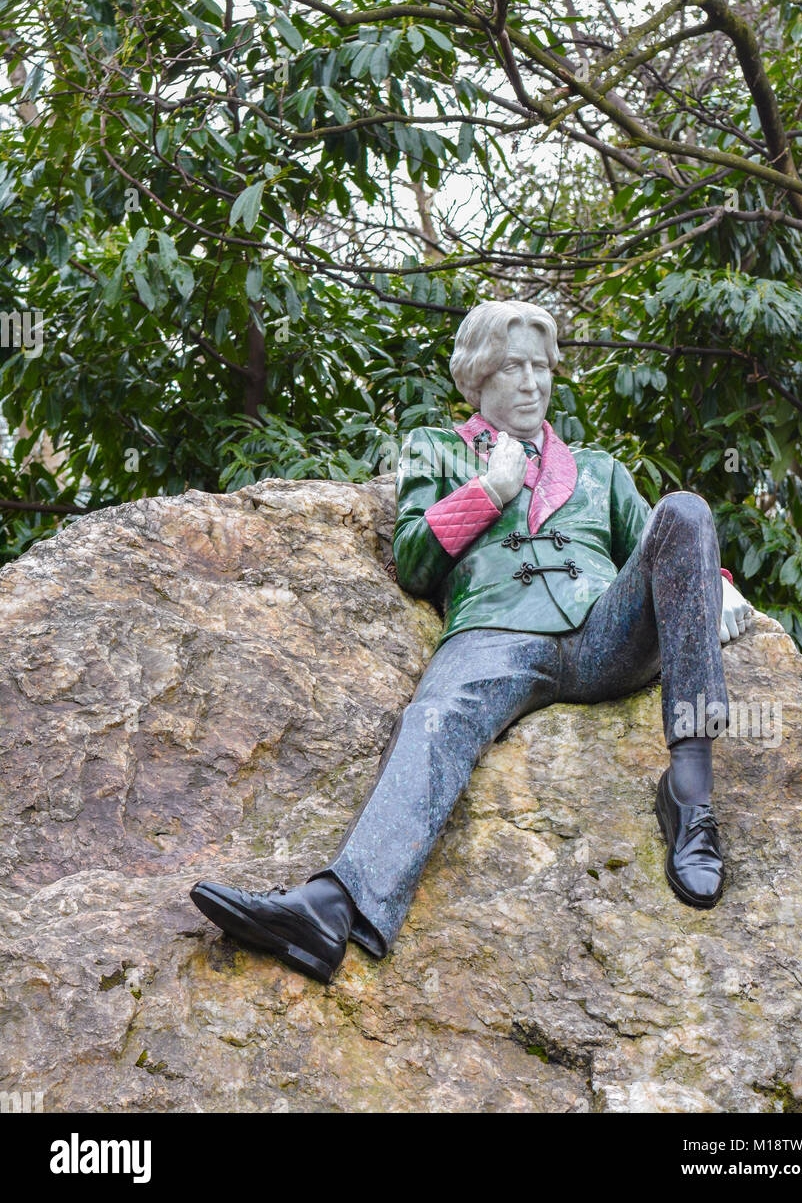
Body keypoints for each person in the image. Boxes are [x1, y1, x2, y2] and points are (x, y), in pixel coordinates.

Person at [191, 300, 750, 983]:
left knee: (688, 508)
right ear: (477, 376)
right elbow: (416, 561)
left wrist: (717, 582)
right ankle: (333, 906)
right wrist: (488, 490)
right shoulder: (435, 448)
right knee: (433, 718)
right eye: (513, 366)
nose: (531, 382)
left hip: (607, 635)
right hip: (496, 634)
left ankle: (691, 801)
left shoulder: (600, 469)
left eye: (541, 368)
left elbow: (669, 548)